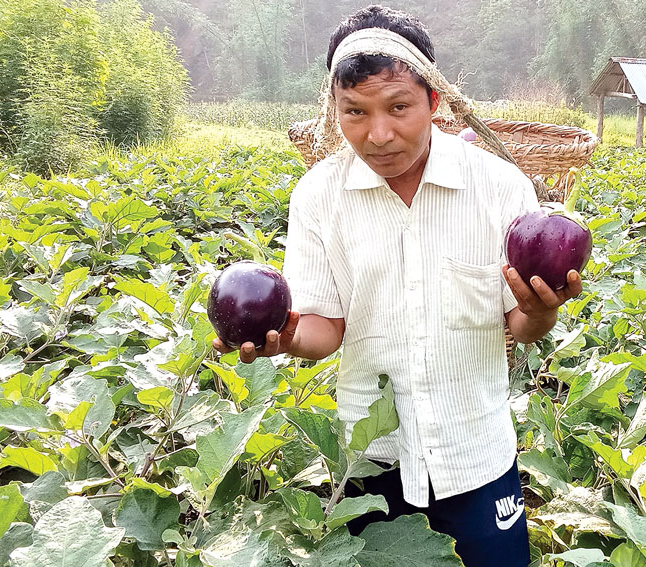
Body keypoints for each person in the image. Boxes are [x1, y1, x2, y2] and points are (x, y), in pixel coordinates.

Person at [212, 5, 583, 566]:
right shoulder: (318, 196)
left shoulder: (498, 186)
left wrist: (543, 310)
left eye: (399, 107)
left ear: (434, 102)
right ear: (333, 111)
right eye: (354, 112)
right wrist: (285, 339)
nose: (378, 133)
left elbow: (521, 326)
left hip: (474, 455)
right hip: (371, 459)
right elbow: (324, 328)